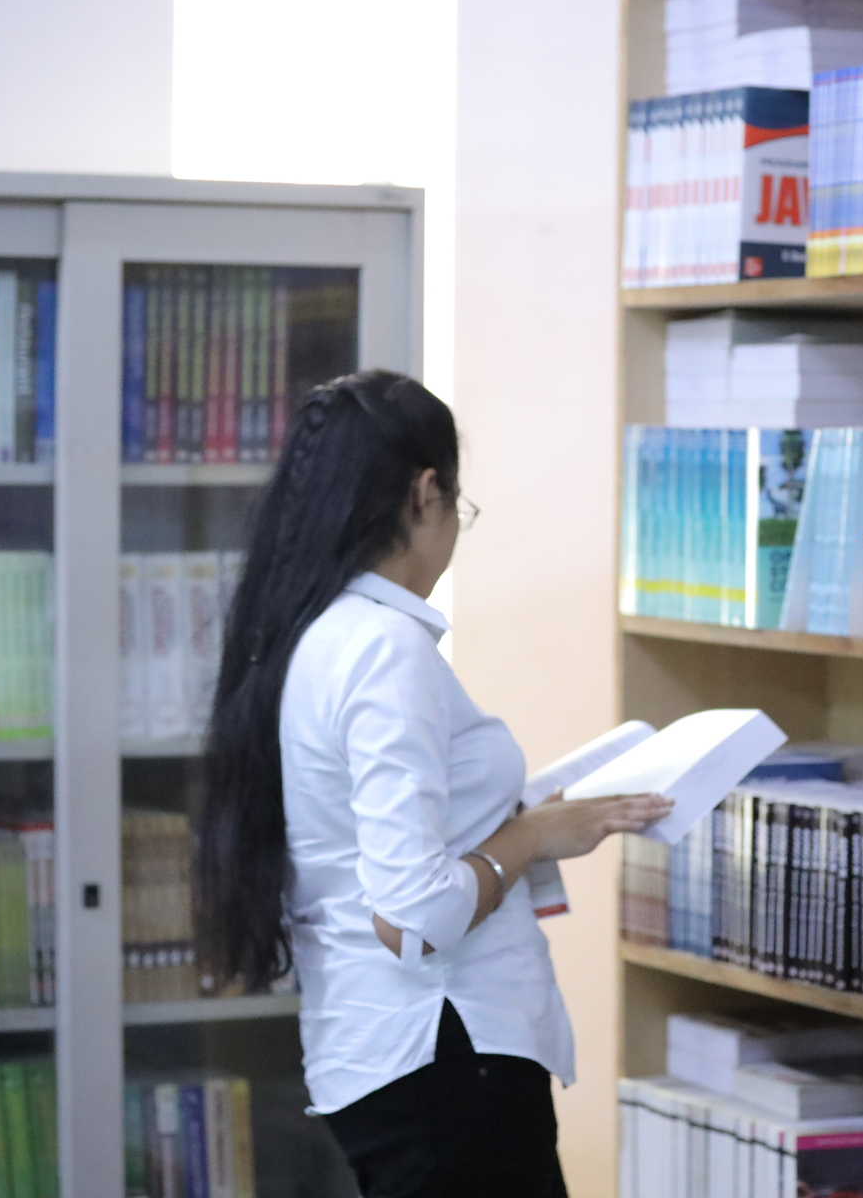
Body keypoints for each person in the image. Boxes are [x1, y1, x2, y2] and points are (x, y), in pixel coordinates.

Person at [197, 369, 671, 1198]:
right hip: (445, 1058)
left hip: (387, 1053)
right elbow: (412, 916)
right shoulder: (384, 649)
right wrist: (530, 836)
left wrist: (517, 825)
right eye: (460, 506)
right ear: (426, 494)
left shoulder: (316, 633)